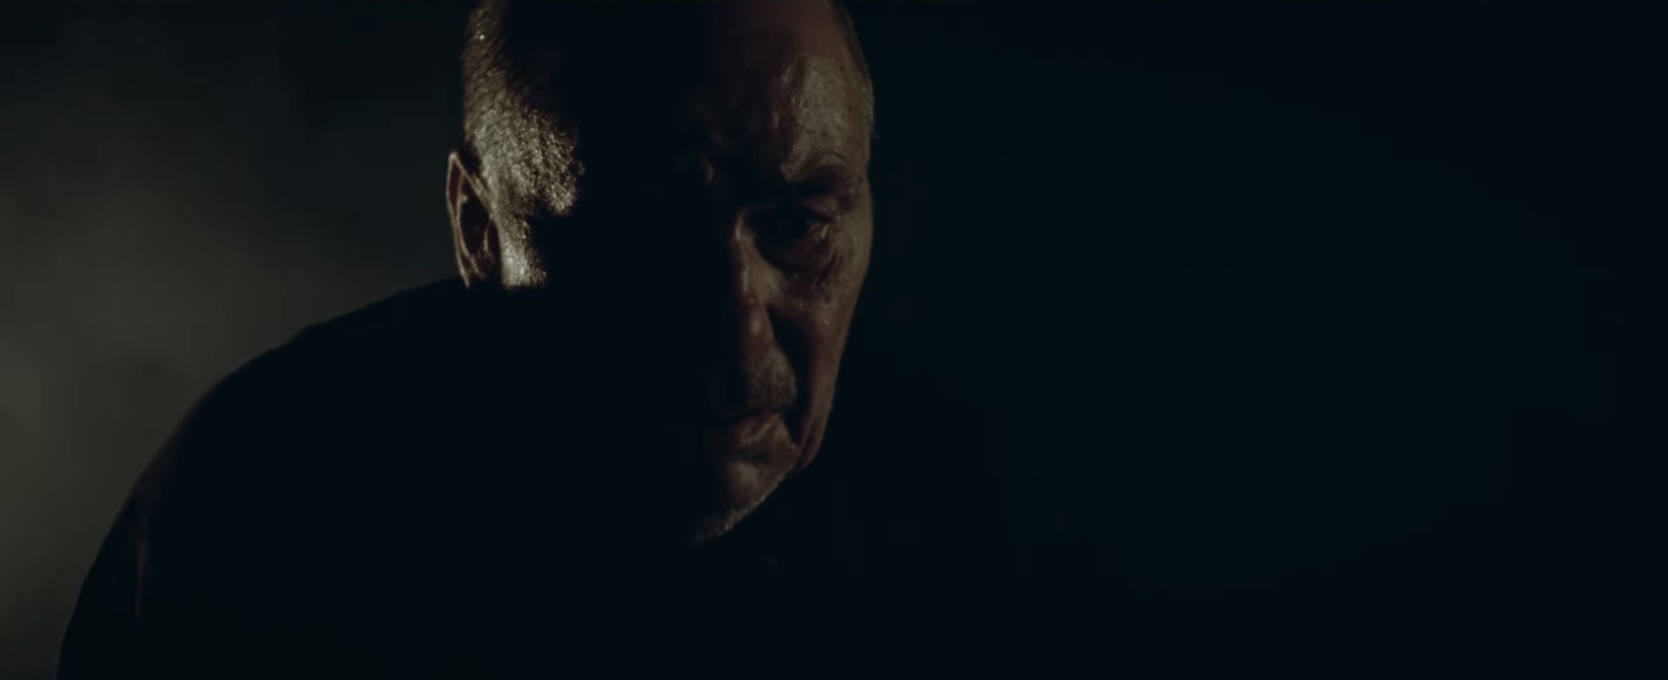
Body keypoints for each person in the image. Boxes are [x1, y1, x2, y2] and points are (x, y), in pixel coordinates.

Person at [58, 1, 1086, 676]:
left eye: (799, 222)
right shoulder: (261, 507)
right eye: (645, 239)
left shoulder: (963, 511)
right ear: (478, 231)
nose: (738, 340)